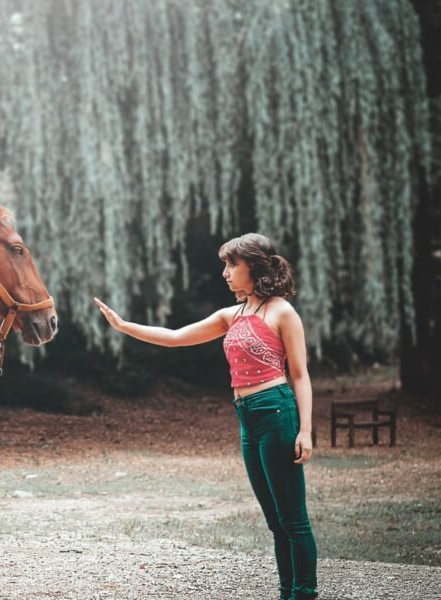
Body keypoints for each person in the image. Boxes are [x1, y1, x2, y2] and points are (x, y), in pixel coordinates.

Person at [93, 232, 318, 600]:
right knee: (276, 523)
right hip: (248, 418)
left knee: (293, 519)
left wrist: (305, 430)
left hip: (277, 411)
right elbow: (176, 336)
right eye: (225, 266)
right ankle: (286, 593)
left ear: (255, 267)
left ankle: (304, 594)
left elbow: (299, 374)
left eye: (232, 265)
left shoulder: (282, 312)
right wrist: (124, 327)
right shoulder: (232, 315)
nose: (226, 273)